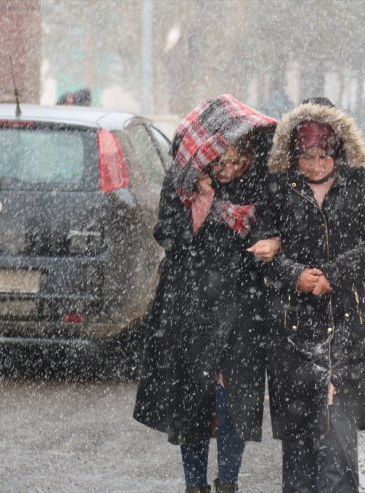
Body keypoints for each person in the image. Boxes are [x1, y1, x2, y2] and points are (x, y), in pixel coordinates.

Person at [133, 95, 279, 493]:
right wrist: (203, 201)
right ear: (204, 160)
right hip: (190, 305)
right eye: (221, 164)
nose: (231, 170)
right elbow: (169, 234)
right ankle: (194, 485)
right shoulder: (181, 185)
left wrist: (271, 244)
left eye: (238, 161)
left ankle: (228, 482)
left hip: (242, 305)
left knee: (232, 399)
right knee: (193, 399)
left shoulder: (260, 183)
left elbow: (270, 229)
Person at [262, 98, 365, 492]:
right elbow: (260, 250)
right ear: (292, 153)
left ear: (340, 150)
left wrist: (334, 275)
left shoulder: (363, 183)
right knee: (299, 453)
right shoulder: (277, 188)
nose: (316, 165)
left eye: (324, 155)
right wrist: (295, 275)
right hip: (293, 333)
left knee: (338, 451)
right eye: (306, 157)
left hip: (347, 329)